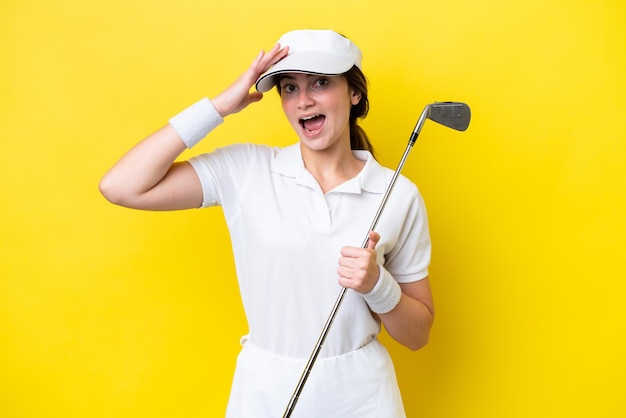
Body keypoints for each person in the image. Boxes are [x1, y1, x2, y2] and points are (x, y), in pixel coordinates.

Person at [100, 29, 434, 418]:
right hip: (265, 393)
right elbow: (120, 187)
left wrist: (378, 286)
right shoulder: (246, 169)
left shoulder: (399, 194)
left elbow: (418, 336)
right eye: (289, 88)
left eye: (321, 83)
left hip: (362, 396)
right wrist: (220, 107)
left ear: (354, 93)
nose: (304, 100)